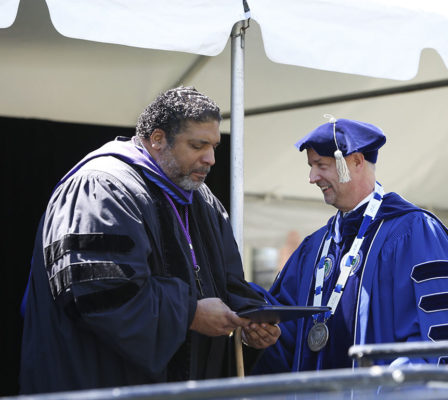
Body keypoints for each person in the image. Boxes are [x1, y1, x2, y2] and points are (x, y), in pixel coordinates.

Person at [19, 86, 280, 394]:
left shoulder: (201, 200)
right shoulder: (101, 187)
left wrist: (250, 320)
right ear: (158, 139)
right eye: (198, 145)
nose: (210, 158)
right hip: (102, 384)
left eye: (214, 146)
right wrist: (190, 313)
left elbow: (228, 283)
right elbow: (98, 292)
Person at [251, 116, 448, 373]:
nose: (312, 177)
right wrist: (259, 330)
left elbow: (445, 339)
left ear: (356, 161)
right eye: (310, 166)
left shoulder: (414, 233)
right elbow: (284, 331)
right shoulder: (315, 248)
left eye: (321, 165)